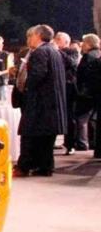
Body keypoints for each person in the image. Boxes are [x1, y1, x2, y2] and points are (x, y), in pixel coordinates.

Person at [15, 24, 66, 176]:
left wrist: (25, 89)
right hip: (51, 105)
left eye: (30, 36)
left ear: (38, 35)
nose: (28, 39)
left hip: (40, 104)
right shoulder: (54, 51)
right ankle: (44, 167)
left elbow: (37, 75)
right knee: (45, 141)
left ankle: (26, 166)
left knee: (31, 136)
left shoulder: (40, 52)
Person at [55, 32, 85, 154]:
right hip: (58, 88)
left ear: (66, 42)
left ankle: (70, 144)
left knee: (69, 116)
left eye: (58, 39)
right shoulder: (54, 52)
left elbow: (72, 63)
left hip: (69, 88)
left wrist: (59, 51)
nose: (55, 41)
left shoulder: (72, 51)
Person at [76, 34, 101, 158]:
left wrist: (82, 90)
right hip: (95, 93)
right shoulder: (98, 55)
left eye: (84, 42)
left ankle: (83, 142)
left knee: (82, 118)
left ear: (90, 44)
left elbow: (84, 75)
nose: (82, 45)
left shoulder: (88, 57)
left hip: (88, 93)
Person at [0, 35, 13, 101]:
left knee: (2, 102)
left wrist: (1, 73)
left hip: (1, 83)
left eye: (2, 43)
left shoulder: (6, 55)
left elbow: (11, 69)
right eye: (0, 43)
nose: (2, 45)